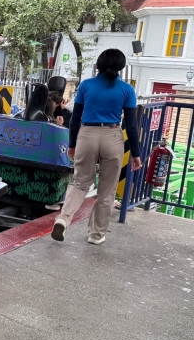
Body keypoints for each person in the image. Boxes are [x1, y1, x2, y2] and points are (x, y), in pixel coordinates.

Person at [51, 49, 141, 245]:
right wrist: (136, 153)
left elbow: (75, 118)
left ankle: (63, 219)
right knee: (107, 190)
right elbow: (132, 125)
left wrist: (73, 144)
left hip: (87, 135)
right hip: (112, 136)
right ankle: (96, 234)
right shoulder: (127, 90)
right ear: (121, 67)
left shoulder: (86, 85)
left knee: (80, 182)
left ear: (98, 64)